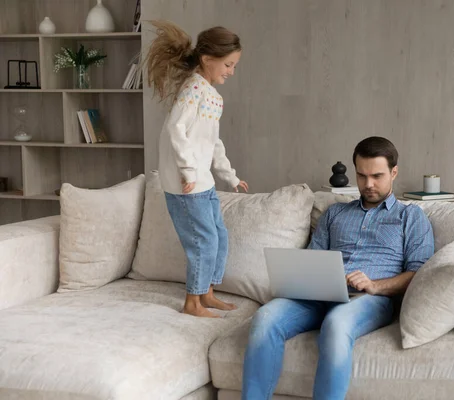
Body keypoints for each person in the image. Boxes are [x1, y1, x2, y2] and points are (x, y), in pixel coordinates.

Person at [241, 136, 434, 399]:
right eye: (362, 175)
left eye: (377, 176)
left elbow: (419, 274)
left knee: (336, 323)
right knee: (265, 318)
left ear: (394, 172)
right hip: (320, 293)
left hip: (369, 298)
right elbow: (312, 260)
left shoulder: (410, 216)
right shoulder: (335, 213)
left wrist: (375, 285)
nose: (368, 184)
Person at [145, 20, 249, 318]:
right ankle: (192, 303)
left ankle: (207, 293)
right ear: (207, 59)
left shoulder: (210, 94)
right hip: (186, 183)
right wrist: (189, 172)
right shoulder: (193, 88)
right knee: (203, 241)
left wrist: (229, 175)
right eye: (228, 64)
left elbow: (212, 141)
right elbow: (174, 128)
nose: (231, 71)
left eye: (234, 65)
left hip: (203, 182)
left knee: (219, 235)